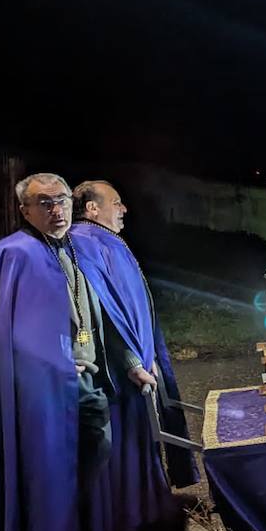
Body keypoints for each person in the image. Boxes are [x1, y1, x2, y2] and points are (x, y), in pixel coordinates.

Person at [0, 173, 147, 531]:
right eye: (43, 203)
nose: (56, 209)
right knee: (46, 476)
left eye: (61, 199)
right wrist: (55, 363)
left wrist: (130, 361)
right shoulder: (12, 254)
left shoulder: (77, 250)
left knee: (86, 466)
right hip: (41, 393)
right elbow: (8, 335)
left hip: (87, 383)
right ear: (25, 211)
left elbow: (104, 313)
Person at [72, 179, 199, 493]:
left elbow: (129, 304)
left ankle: (152, 493)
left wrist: (150, 352)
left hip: (140, 357)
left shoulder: (105, 239)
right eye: (116, 202)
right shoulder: (86, 244)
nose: (123, 209)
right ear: (92, 207)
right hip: (116, 369)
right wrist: (131, 360)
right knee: (127, 437)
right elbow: (102, 311)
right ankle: (135, 507)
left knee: (148, 429)